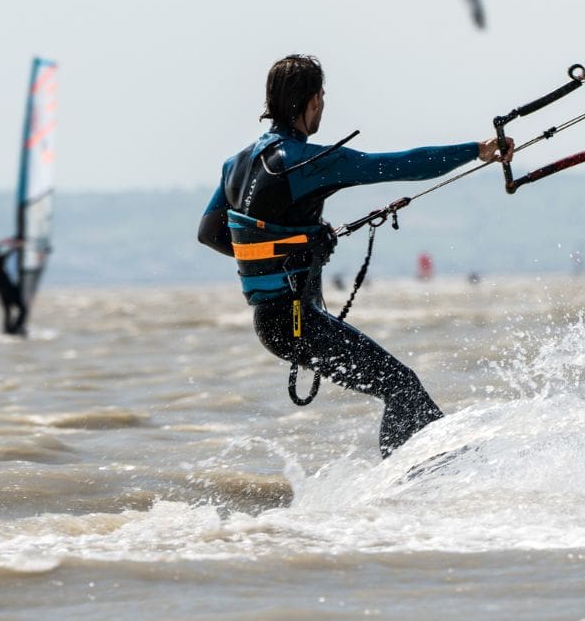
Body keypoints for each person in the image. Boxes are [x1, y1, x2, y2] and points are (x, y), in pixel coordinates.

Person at [198, 54, 513, 458]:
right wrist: (478, 150)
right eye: (322, 99)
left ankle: (418, 476)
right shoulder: (305, 161)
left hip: (274, 322)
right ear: (313, 101)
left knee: (397, 386)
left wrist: (289, 249)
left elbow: (210, 233)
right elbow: (397, 165)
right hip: (298, 322)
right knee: (402, 387)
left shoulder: (234, 164)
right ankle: (421, 481)